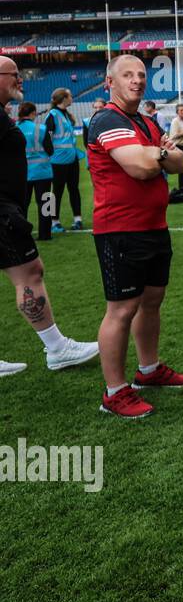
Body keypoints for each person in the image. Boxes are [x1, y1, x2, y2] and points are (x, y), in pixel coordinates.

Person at [86, 55, 183, 418]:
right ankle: (114, 392)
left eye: (141, 75)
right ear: (109, 83)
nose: (137, 80)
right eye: (127, 75)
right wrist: (162, 153)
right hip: (120, 230)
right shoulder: (106, 119)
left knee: (151, 301)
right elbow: (139, 166)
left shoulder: (146, 121)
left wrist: (159, 154)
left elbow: (179, 163)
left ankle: (147, 371)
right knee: (121, 309)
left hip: (154, 227)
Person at [0, 56, 99, 378]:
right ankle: (57, 348)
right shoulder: (46, 120)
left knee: (59, 199)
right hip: (16, 197)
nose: (22, 80)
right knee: (31, 270)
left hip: (31, 184)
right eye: (15, 74)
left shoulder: (11, 116)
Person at [45, 89, 83, 232]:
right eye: (70, 95)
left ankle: (78, 220)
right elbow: (47, 138)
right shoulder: (52, 115)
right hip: (58, 160)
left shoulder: (66, 114)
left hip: (72, 158)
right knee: (56, 192)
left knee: (74, 189)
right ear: (64, 98)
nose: (72, 98)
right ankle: (54, 222)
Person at [18, 102, 54, 242]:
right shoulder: (41, 128)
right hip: (43, 171)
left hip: (23, 173)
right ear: (32, 113)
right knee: (46, 203)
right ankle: (46, 234)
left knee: (22, 205)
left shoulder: (15, 128)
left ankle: (21, 234)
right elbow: (50, 150)